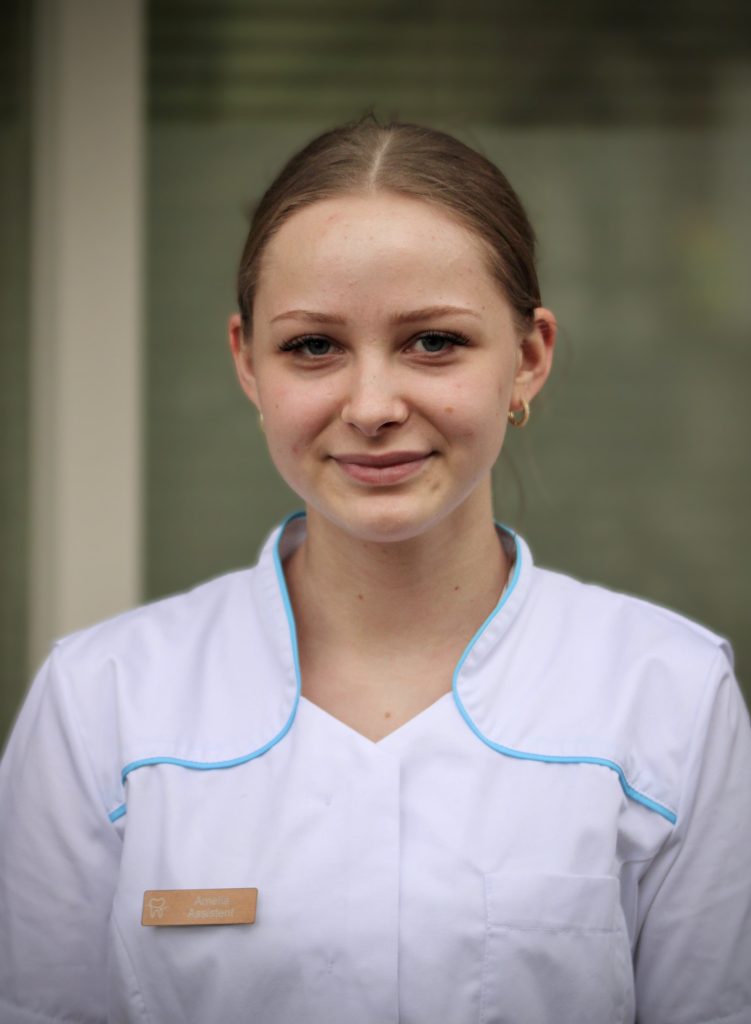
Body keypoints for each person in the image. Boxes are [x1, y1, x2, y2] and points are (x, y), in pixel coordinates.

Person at [1, 117, 750, 1024]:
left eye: (432, 341)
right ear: (247, 362)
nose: (371, 406)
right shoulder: (102, 701)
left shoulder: (666, 695)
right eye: (312, 346)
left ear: (527, 358)